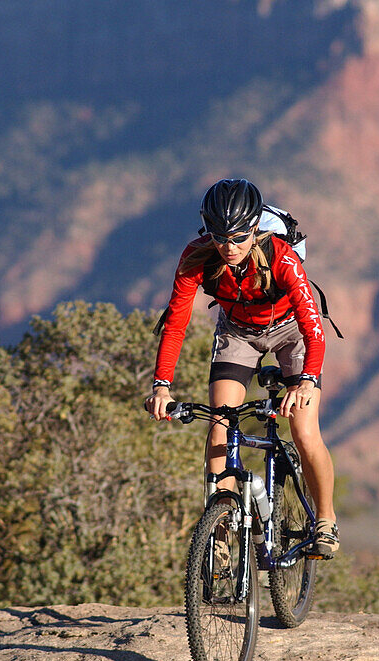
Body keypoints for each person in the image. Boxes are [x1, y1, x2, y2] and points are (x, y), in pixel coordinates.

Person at [145, 177, 340, 559]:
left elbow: (313, 326)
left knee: (303, 428)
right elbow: (176, 323)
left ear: (255, 229)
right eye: (220, 238)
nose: (229, 247)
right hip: (237, 334)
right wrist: (162, 385)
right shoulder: (196, 257)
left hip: (291, 334)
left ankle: (325, 520)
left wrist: (306, 382)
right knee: (221, 424)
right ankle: (218, 532)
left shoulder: (281, 256)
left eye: (238, 237)